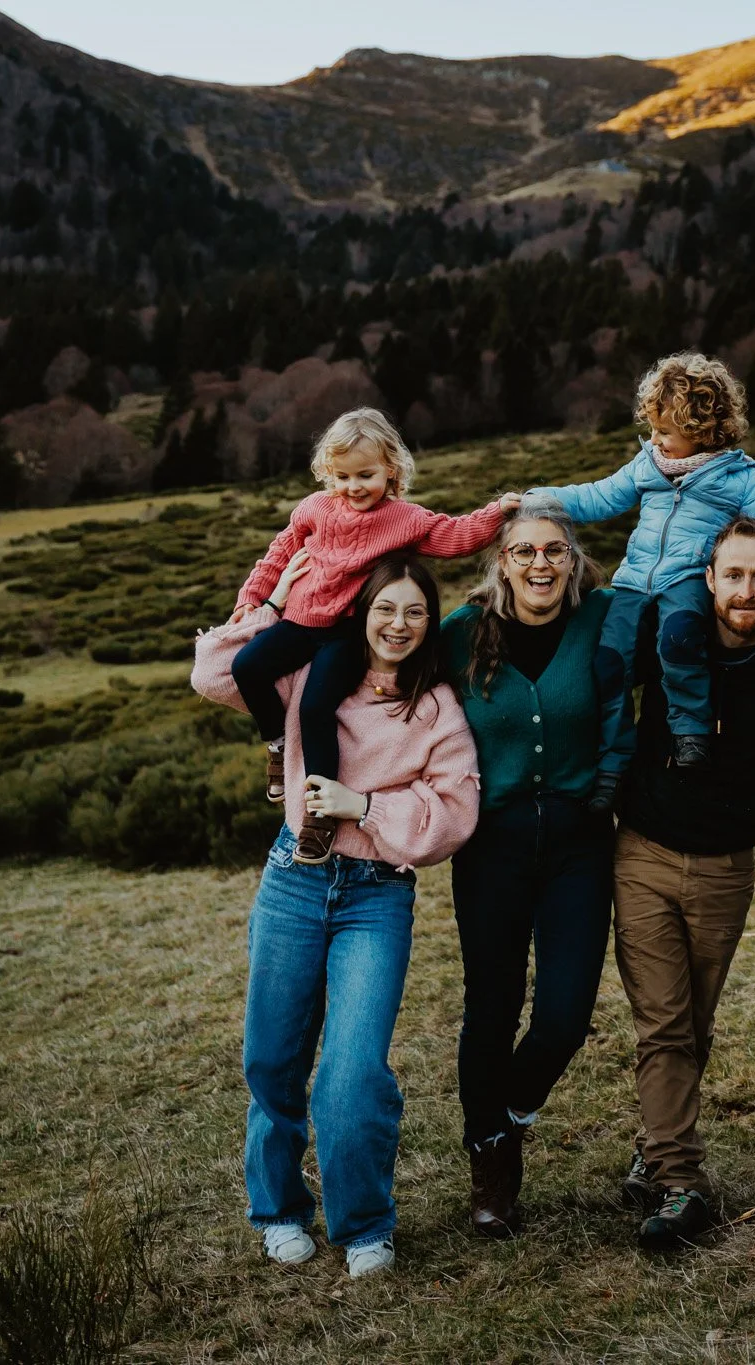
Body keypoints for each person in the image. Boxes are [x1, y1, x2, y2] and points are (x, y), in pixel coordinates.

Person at [192, 555, 481, 1278]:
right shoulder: (313, 674)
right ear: (361, 610)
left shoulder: (437, 706)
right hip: (294, 879)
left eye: (415, 611)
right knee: (273, 1057)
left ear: (429, 621)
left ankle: (364, 1224)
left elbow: (454, 814)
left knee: (351, 1072)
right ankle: (281, 1210)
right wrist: (281, 598)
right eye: (386, 608)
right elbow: (214, 672)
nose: (399, 624)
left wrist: (366, 807)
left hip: (376, 894)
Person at [608, 516, 755, 1250]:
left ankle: (655, 1142)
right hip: (644, 854)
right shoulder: (671, 637)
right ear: (710, 578)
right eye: (733, 575)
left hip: (729, 867)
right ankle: (681, 1181)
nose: (747, 590)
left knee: (692, 1023)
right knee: (663, 1022)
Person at [228, 407, 516, 864]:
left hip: (345, 634)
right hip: (300, 623)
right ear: (328, 473)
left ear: (391, 470)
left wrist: (497, 513)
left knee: (316, 707)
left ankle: (318, 818)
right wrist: (255, 596)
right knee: (246, 666)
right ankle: (277, 747)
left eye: (365, 475)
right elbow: (279, 552)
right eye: (341, 476)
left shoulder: (405, 518)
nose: (353, 487)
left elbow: (455, 535)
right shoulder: (315, 508)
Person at [439, 497, 614, 1239]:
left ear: (572, 560)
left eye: (554, 551)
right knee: (492, 1005)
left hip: (579, 841)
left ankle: (505, 1107)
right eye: (524, 552)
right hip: (493, 845)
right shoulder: (458, 633)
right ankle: (493, 1167)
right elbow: (382, 672)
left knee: (566, 1013)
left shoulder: (602, 616)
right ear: (500, 561)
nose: (540, 564)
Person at [529, 353, 755, 808]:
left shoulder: (738, 478)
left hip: (684, 580)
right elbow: (598, 497)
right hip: (634, 580)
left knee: (680, 642)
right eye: (653, 429)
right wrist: (540, 499)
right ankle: (611, 763)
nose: (655, 439)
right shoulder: (648, 465)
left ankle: (690, 733)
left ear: (702, 431)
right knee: (608, 661)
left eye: (665, 432)